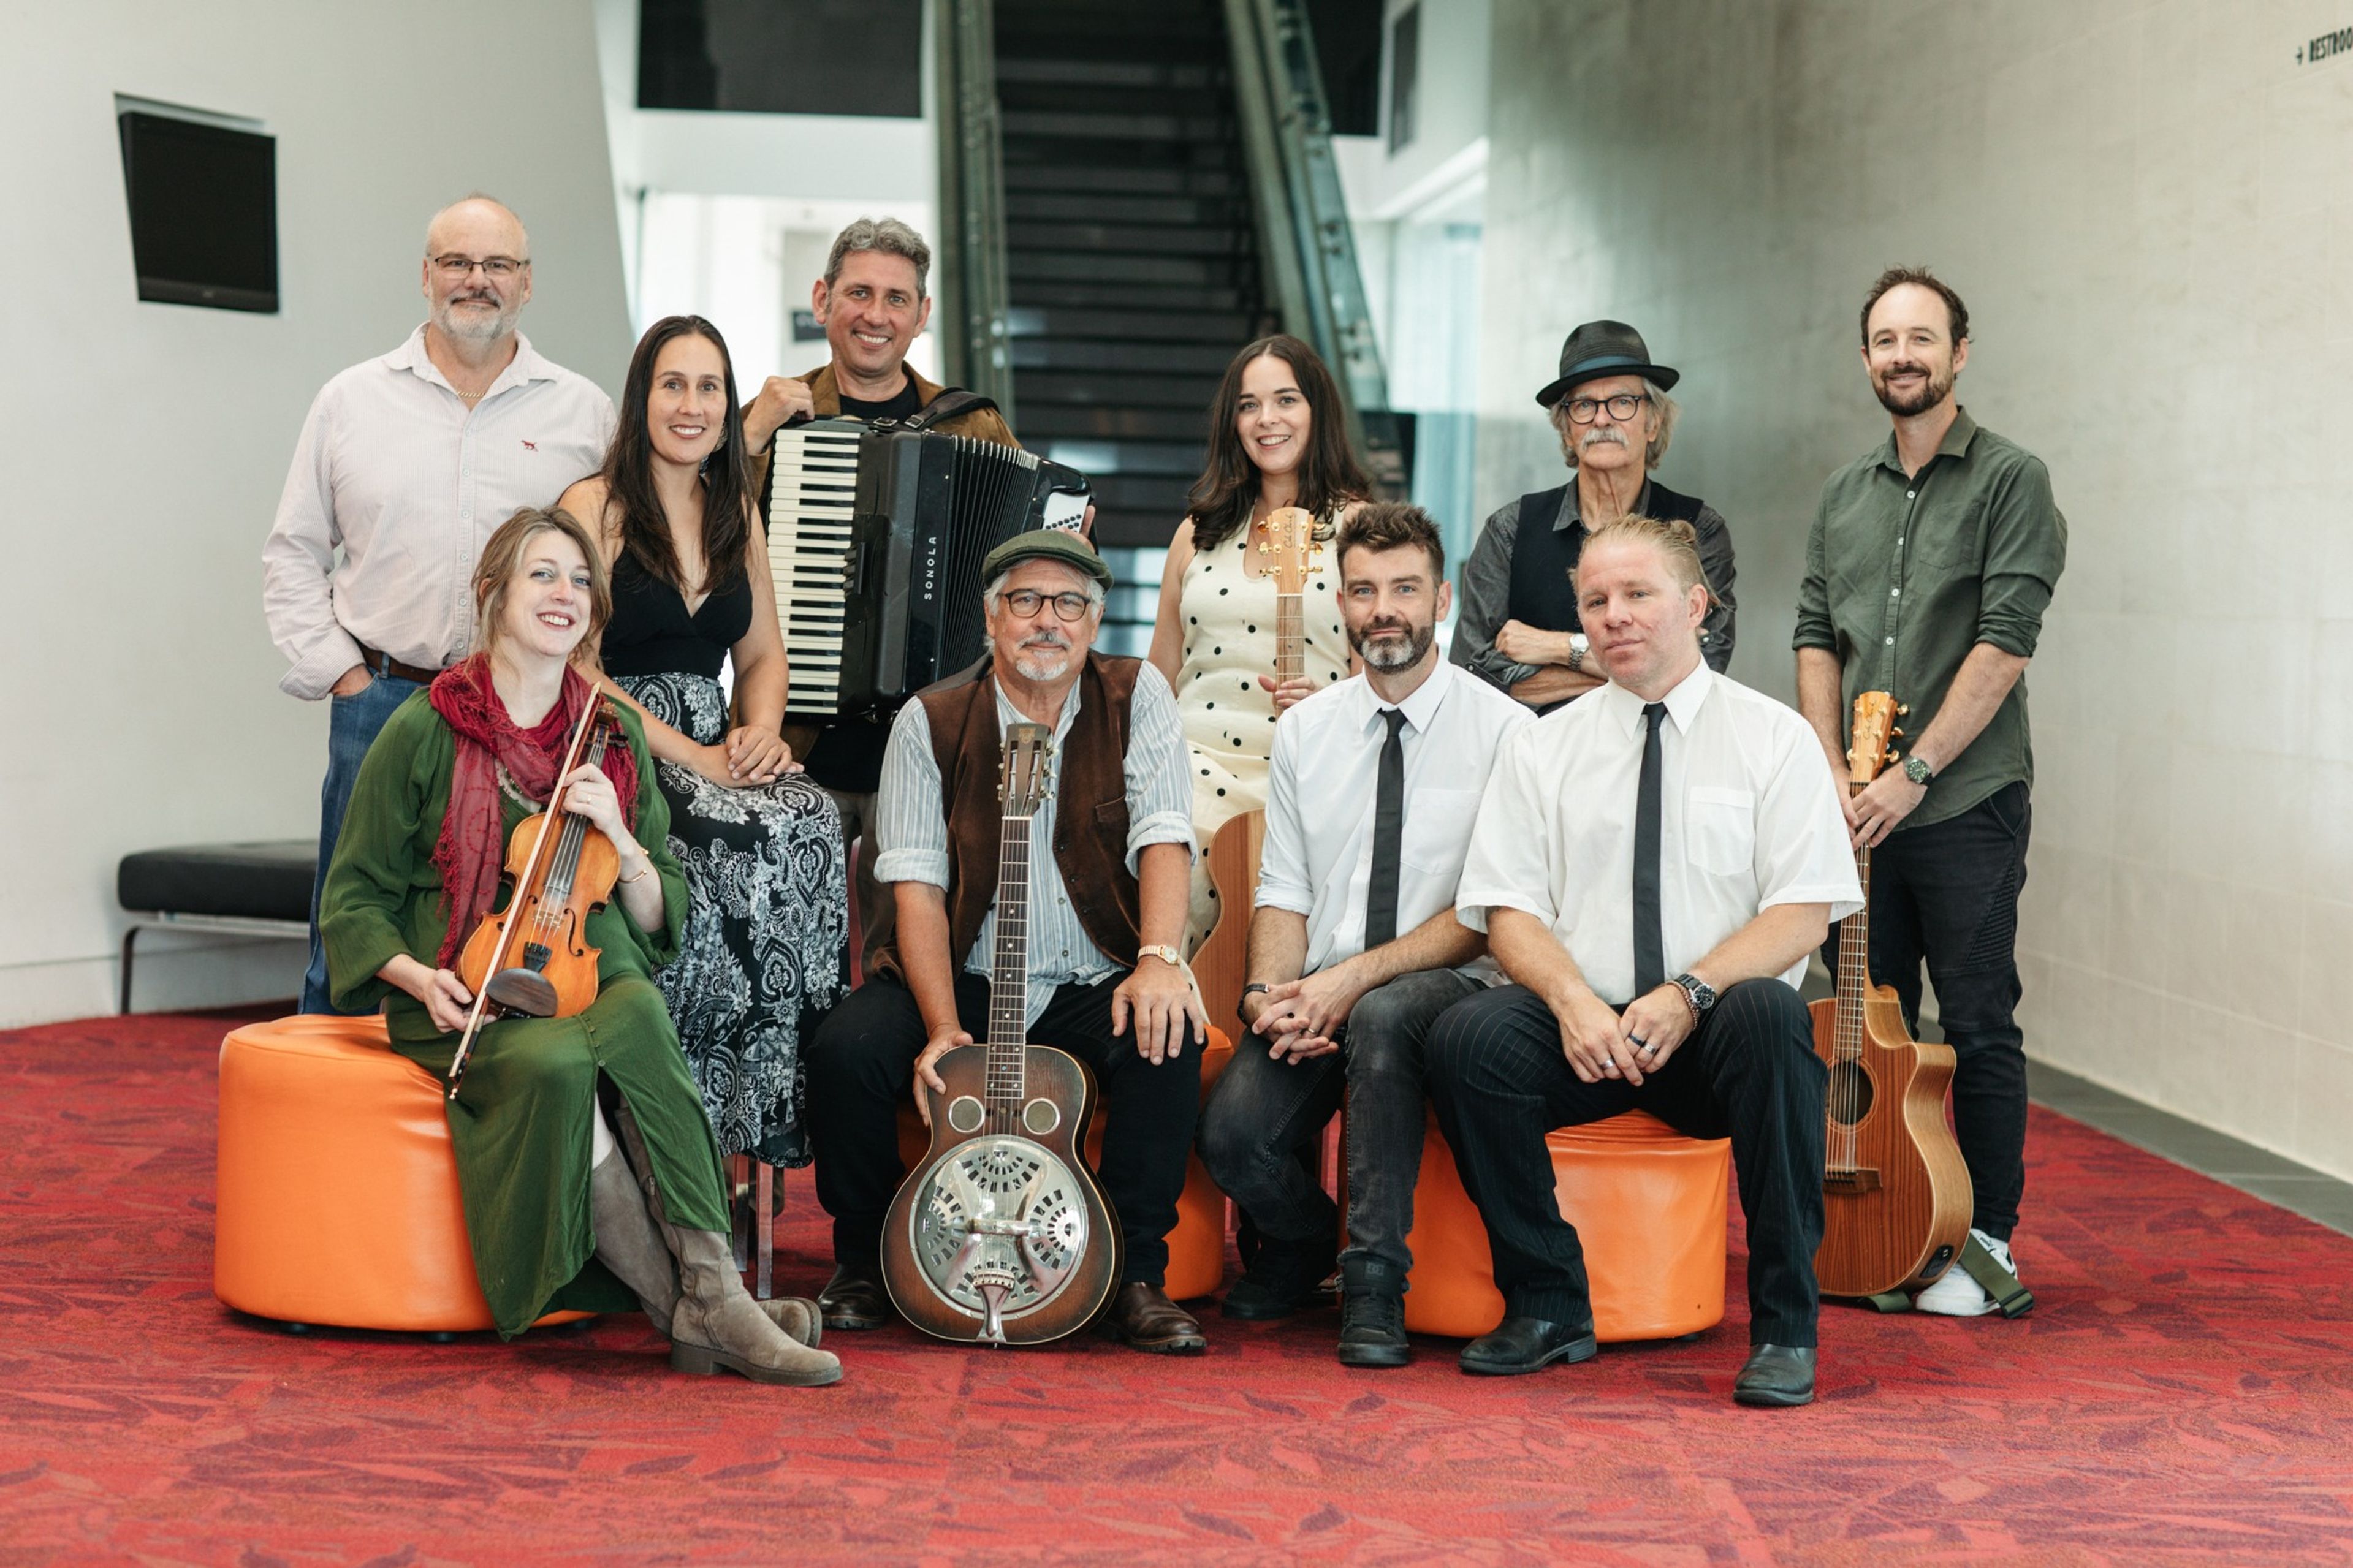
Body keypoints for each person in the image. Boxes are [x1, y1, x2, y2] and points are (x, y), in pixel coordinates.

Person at [318, 506, 840, 1386]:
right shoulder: (426, 725)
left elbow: (654, 907)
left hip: (593, 968)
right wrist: (418, 977)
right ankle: (701, 1309)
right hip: (462, 986)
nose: (564, 593)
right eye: (541, 574)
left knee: (636, 1008)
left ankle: (712, 1296)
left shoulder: (614, 733)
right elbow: (354, 887)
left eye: (578, 579)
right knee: (561, 1064)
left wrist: (623, 837)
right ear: (493, 593)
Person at [1426, 515, 1861, 1408]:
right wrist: (1572, 1003)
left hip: (1711, 1035)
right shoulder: (1540, 743)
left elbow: (1802, 911)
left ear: (1694, 605)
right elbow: (1506, 908)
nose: (1613, 616)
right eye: (1594, 600)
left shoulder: (1772, 738)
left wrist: (1688, 991)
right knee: (1465, 1035)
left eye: (1637, 594)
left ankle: (1784, 1325)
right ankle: (1548, 1302)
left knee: (1774, 1016)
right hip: (1586, 1031)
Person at [803, 530, 1211, 1351]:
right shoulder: (933, 718)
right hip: (965, 971)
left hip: (1092, 971)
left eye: (1068, 603)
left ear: (1094, 621)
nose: (1046, 621)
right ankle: (861, 1259)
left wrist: (1160, 961)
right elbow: (914, 882)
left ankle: (1137, 1273)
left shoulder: (1139, 695)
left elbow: (1165, 834)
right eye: (1024, 601)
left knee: (1166, 1039)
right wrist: (944, 1023)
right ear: (991, 619)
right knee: (846, 1048)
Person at [264, 195, 616, 1015]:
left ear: (526, 284)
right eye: (457, 262)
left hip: (522, 714)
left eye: (497, 265)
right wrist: (346, 678)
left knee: (493, 919)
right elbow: (292, 551)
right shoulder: (350, 401)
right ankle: (330, 1106)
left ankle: (462, 1106)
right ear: (425, 275)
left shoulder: (583, 413)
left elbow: (607, 569)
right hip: (384, 698)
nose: (476, 280)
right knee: (354, 926)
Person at [1196, 503, 1527, 1368]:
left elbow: (1484, 912)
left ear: (1442, 598)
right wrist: (1271, 993)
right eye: (1364, 590)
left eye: (1405, 588)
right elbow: (1284, 886)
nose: (1385, 609)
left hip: (1452, 986)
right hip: (1321, 982)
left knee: (1381, 1019)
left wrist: (1347, 985)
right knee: (1232, 1137)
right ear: (1338, 602)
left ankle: (1373, 1283)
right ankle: (1306, 1245)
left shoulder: (1505, 733)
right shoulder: (1307, 728)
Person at [1793, 266, 2066, 1318]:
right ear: (1864, 359)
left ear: (1959, 352)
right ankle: (1894, 1227)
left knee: (1975, 1017)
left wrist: (1911, 773)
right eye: (1882, 339)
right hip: (1854, 811)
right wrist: (1824, 763)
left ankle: (1984, 1244)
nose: (1900, 354)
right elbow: (1815, 632)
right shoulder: (1840, 494)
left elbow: (2004, 643)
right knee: (1868, 1021)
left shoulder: (2009, 479)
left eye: (1921, 337)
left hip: (1961, 804)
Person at [557, 316, 850, 1168]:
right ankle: (689, 1111)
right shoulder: (595, 504)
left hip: (716, 742)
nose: (691, 405)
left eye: (709, 387)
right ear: (640, 397)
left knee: (810, 817)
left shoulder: (735, 507)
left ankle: (772, 1099)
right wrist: (699, 756)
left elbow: (761, 653)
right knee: (728, 834)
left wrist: (756, 730)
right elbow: (578, 666)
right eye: (672, 385)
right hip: (616, 738)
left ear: (730, 403)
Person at [733, 217, 1020, 971]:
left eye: (896, 298)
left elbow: (1026, 555)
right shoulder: (778, 418)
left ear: (921, 315)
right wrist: (749, 438)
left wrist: (1063, 533)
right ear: (823, 299)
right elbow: (695, 529)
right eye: (858, 292)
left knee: (904, 964)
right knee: (784, 954)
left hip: (925, 757)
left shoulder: (973, 423)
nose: (875, 314)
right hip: (796, 747)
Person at [1146, 334, 1372, 947]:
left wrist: (1329, 709)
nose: (1266, 420)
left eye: (1285, 400)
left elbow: (1383, 683)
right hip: (1190, 766)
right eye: (1248, 405)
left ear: (1317, 411)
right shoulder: (1195, 533)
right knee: (1167, 854)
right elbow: (1156, 680)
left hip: (1306, 767)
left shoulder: (1361, 530)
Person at [1451, 321, 1737, 713]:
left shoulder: (1700, 528)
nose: (1602, 420)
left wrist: (1559, 647)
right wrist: (1637, 668)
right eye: (1584, 405)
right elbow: (1472, 678)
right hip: (1541, 765)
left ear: (1653, 422)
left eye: (1622, 402)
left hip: (1658, 760)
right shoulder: (1510, 530)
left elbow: (1706, 664)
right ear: (1566, 429)